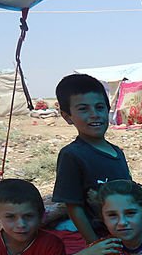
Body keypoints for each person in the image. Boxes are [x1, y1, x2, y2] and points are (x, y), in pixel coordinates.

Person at [52, 73, 131, 245]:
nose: (94, 114)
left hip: (128, 233)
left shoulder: (117, 152)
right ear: (67, 116)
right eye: (83, 109)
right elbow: (74, 207)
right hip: (103, 238)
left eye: (100, 107)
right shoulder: (72, 155)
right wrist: (94, 244)